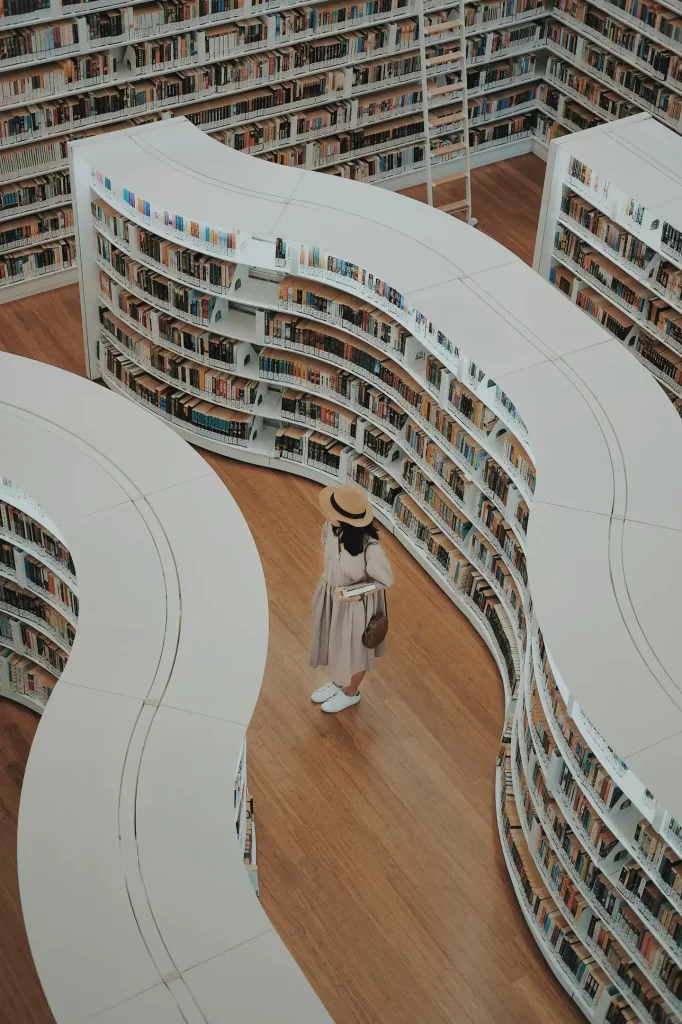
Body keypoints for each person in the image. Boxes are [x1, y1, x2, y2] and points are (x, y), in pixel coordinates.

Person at [310, 482, 393, 713]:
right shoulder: (332, 527)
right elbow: (325, 545)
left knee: (356, 650)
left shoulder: (371, 549)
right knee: (337, 644)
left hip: (356, 606)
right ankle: (338, 683)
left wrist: (355, 592)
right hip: (332, 594)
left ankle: (350, 693)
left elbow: (385, 581)